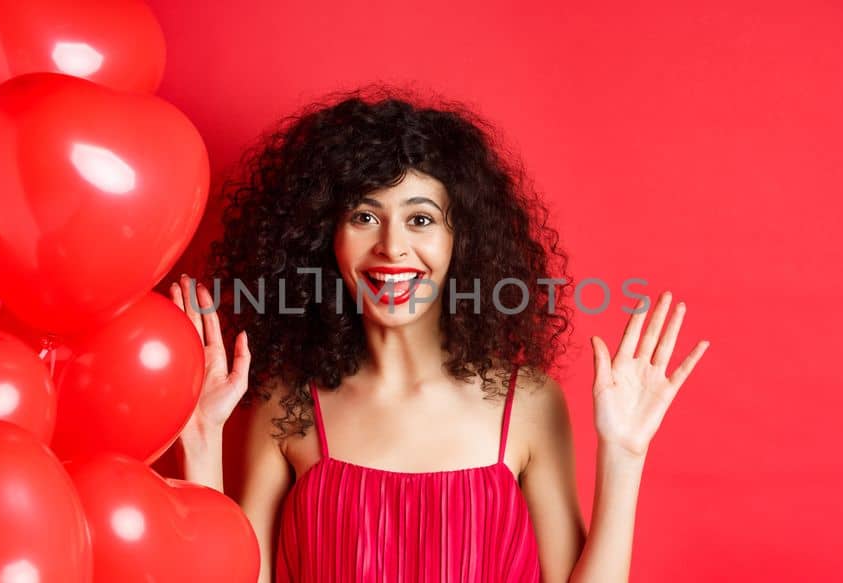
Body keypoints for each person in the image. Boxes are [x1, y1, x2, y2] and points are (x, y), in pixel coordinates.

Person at [168, 85, 709, 582]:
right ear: (322, 239)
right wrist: (200, 439)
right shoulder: (287, 404)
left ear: (461, 241)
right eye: (364, 216)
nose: (392, 248)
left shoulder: (528, 404)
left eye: (421, 219)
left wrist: (624, 454)